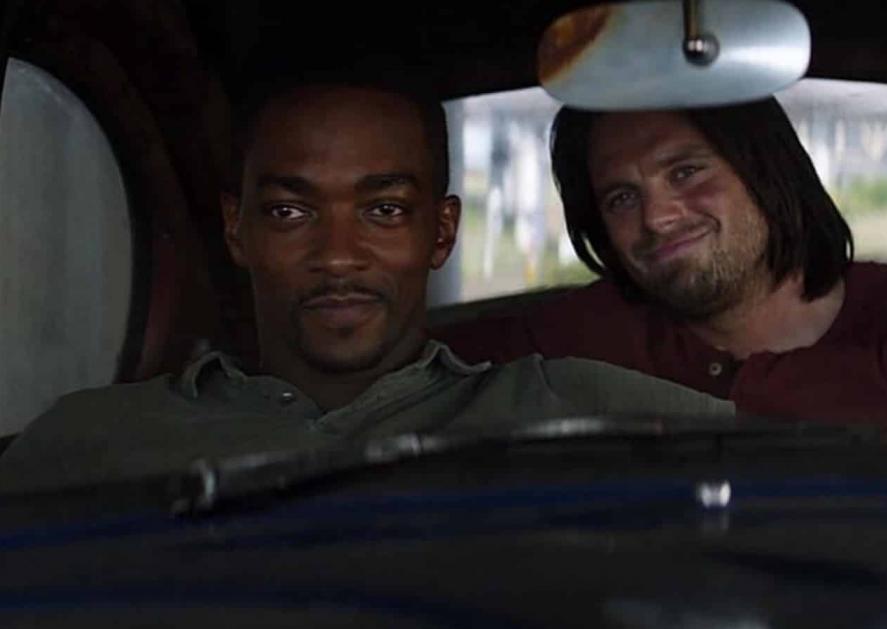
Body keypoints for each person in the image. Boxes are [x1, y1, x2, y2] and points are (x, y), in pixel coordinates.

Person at [0, 77, 732, 493]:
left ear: (441, 232)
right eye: (290, 213)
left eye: (384, 211)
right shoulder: (87, 442)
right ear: (236, 230)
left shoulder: (576, 409)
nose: (338, 256)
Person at [434, 97, 887, 430]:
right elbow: (405, 382)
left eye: (685, 172)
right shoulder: (575, 337)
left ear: (765, 170)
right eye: (622, 198)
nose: (657, 217)